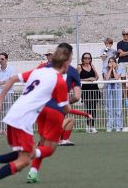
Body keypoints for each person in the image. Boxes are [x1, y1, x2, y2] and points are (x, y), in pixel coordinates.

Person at [0, 47, 71, 188]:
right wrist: (68, 108)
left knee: (22, 153)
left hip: (13, 115)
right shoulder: (59, 82)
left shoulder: (39, 71)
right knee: (25, 160)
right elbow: (65, 108)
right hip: (23, 121)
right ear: (65, 64)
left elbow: (13, 78)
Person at [26, 43, 90, 183]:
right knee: (49, 148)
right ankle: (27, 157)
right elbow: (77, 96)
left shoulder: (44, 67)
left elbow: (31, 83)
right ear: (70, 56)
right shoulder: (73, 72)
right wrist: (65, 103)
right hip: (56, 111)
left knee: (42, 142)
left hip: (41, 109)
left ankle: (32, 171)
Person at [77, 52, 100, 133]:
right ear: (82, 59)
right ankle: (87, 125)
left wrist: (93, 78)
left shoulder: (92, 66)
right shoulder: (79, 67)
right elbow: (76, 78)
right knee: (88, 108)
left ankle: (92, 126)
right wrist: (87, 79)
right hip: (86, 89)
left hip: (94, 88)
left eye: (89, 58)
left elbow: (97, 76)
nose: (87, 59)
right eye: (85, 58)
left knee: (94, 108)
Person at [0, 52, 14, 136]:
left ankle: (7, 129)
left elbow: (11, 79)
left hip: (8, 92)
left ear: (6, 60)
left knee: (8, 111)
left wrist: (2, 82)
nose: (0, 61)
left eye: (2, 59)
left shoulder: (11, 69)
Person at [103, 57, 123, 132]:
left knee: (118, 107)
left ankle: (118, 125)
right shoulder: (105, 69)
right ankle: (109, 126)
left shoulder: (119, 68)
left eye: (113, 61)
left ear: (115, 62)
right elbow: (107, 78)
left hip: (117, 88)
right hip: (108, 89)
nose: (111, 63)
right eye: (110, 62)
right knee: (109, 107)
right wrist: (110, 69)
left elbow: (117, 77)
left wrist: (114, 69)